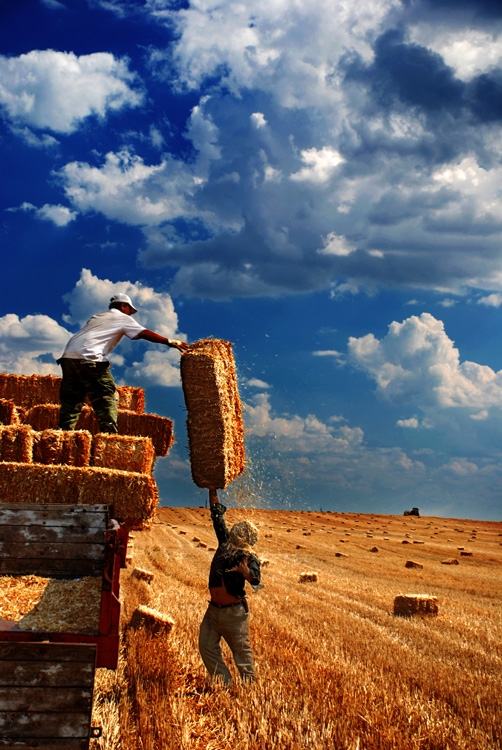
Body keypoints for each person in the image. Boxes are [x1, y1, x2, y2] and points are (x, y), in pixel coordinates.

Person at [57, 293, 188, 433]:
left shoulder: (97, 317)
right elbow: (143, 333)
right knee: (106, 395)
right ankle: (108, 435)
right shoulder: (122, 318)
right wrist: (169, 341)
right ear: (123, 306)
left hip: (68, 358)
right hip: (89, 357)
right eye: (129, 310)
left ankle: (63, 435)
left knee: (71, 400)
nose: (130, 314)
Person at [199, 489, 261, 685]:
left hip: (233, 614)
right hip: (213, 610)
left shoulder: (248, 556)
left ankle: (250, 689)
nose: (235, 530)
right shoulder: (225, 544)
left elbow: (256, 579)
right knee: (206, 646)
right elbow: (217, 516)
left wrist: (246, 573)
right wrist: (212, 489)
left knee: (242, 653)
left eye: (240, 531)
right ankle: (225, 684)